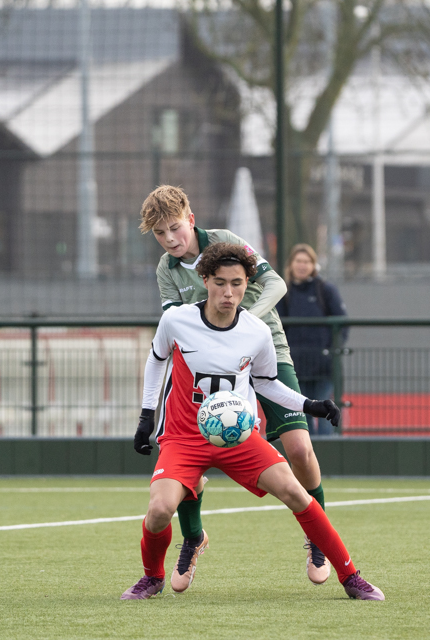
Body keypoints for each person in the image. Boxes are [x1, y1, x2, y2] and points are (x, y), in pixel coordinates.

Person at [123, 243, 383, 601]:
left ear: (248, 284)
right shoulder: (176, 320)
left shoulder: (256, 331)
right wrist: (146, 417)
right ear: (205, 280)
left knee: (296, 492)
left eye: (237, 283)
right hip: (183, 437)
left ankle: (351, 576)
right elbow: (156, 361)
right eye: (219, 283)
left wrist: (311, 404)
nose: (228, 293)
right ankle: (152, 577)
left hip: (238, 438)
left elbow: (265, 383)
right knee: (159, 511)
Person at [137, 185, 333, 588]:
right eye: (160, 233)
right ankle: (193, 539)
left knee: (299, 447)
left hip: (265, 354)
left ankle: (317, 537)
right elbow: (175, 329)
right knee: (191, 455)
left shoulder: (226, 242)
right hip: (205, 370)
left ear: (190, 218)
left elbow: (276, 284)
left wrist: (246, 324)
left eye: (175, 227)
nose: (170, 239)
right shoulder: (166, 270)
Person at [276, 244, 348, 436]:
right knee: (303, 415)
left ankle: (327, 456)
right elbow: (278, 327)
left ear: (313, 265)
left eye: (307, 262)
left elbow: (342, 324)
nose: (302, 265)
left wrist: (332, 350)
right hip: (296, 366)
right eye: (298, 261)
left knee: (326, 413)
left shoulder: (326, 290)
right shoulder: (285, 292)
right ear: (291, 265)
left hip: (324, 366)